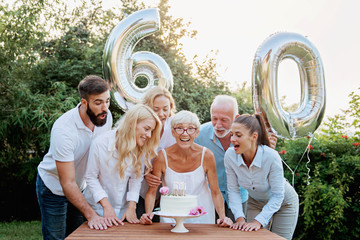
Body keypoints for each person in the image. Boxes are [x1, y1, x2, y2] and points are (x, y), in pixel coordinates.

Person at [36, 75, 113, 240]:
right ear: (84, 103)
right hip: (53, 187)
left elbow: (102, 160)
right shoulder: (64, 130)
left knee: (78, 235)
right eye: (98, 103)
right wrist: (92, 215)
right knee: (56, 237)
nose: (105, 108)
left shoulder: (105, 117)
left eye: (107, 101)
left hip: (80, 186)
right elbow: (67, 183)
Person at [140, 110, 232, 226]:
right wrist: (148, 214)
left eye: (190, 129)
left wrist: (223, 217)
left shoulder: (207, 156)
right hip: (170, 217)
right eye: (179, 128)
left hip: (202, 216)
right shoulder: (162, 157)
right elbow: (152, 192)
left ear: (197, 132)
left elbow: (215, 192)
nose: (185, 133)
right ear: (173, 132)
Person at [195, 95, 277, 221]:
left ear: (236, 118)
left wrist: (268, 151)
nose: (218, 125)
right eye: (214, 118)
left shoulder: (249, 137)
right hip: (210, 197)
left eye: (224, 120)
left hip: (240, 196)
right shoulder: (199, 134)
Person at [84, 104, 161, 226]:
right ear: (131, 123)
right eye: (146, 129)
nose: (149, 135)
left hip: (123, 210)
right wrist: (106, 205)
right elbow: (91, 178)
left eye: (151, 131)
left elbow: (136, 179)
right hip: (97, 208)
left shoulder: (140, 148)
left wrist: (131, 207)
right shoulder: (100, 144)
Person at [225, 114, 299, 240]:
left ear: (254, 137)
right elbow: (233, 190)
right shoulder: (230, 156)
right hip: (255, 202)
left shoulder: (271, 156)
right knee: (252, 238)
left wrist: (258, 221)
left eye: (238, 135)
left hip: (284, 203)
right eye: (231, 134)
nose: (232, 139)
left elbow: (277, 195)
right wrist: (240, 218)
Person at [136, 86, 177, 218]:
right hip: (138, 189)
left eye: (165, 109)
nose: (161, 114)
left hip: (166, 191)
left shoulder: (175, 128)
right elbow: (131, 157)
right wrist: (144, 173)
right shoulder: (140, 128)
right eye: (156, 109)